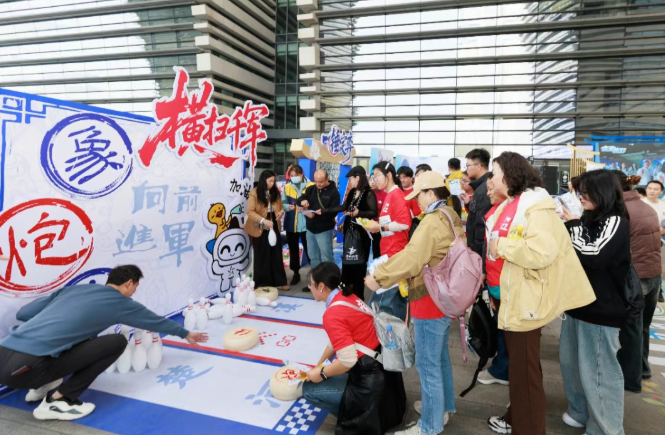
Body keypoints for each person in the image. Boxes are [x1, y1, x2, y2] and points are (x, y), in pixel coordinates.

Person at [0, 265, 208, 421]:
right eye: (135, 287)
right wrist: (185, 333)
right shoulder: (120, 303)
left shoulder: (73, 290)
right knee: (116, 342)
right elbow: (154, 321)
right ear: (129, 283)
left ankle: (42, 385)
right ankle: (59, 400)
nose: (134, 292)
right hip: (25, 368)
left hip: (4, 354)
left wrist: (51, 321)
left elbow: (23, 313)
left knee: (80, 337)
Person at [486, 152, 596, 435]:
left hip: (526, 300)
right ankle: (516, 418)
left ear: (510, 174)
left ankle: (529, 427)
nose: (491, 178)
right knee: (522, 370)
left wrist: (502, 247)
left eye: (494, 172)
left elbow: (541, 253)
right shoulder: (512, 204)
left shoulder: (536, 207)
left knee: (525, 375)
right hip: (511, 297)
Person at [365, 171, 463, 435]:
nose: (416, 201)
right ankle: (441, 408)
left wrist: (379, 276)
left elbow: (412, 257)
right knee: (439, 358)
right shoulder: (450, 214)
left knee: (427, 365)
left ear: (431, 193)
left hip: (429, 299)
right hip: (445, 296)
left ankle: (429, 426)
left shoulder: (431, 222)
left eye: (419, 195)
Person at [560, 170, 630, 435]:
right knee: (573, 367)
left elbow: (594, 254)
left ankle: (605, 428)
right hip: (577, 306)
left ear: (603, 192)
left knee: (599, 373)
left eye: (585, 191)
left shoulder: (615, 221)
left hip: (601, 311)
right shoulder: (590, 218)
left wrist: (573, 224)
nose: (580, 196)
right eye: (579, 192)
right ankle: (580, 412)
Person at [302, 262, 406, 435]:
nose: (309, 288)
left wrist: (321, 373)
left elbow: (347, 360)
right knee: (330, 371)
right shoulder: (347, 296)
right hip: (384, 370)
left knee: (309, 390)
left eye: (310, 284)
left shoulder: (332, 314)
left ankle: (353, 416)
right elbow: (336, 342)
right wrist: (319, 365)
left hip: (369, 381)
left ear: (321, 287)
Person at [612, 171, 661, 388]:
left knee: (630, 330)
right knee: (642, 327)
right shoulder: (646, 207)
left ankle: (631, 380)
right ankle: (643, 369)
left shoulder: (620, 211)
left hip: (634, 278)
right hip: (653, 276)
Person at [366, 161, 411, 320]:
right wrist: (377, 227)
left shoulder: (396, 195)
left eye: (377, 175)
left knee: (378, 303)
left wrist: (380, 227)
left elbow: (405, 223)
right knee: (399, 301)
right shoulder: (390, 195)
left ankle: (377, 332)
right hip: (390, 253)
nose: (375, 179)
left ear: (389, 175)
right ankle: (401, 332)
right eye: (373, 176)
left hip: (394, 255)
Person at [477, 174, 510, 387]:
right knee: (499, 326)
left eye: (491, 187)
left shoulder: (511, 213)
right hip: (494, 279)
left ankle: (503, 370)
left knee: (505, 330)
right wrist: (484, 272)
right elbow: (487, 247)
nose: (488, 192)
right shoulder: (494, 212)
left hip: (505, 281)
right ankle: (502, 366)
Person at [328, 166, 378, 300]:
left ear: (358, 178)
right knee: (347, 263)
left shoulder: (369, 193)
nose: (350, 181)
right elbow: (343, 207)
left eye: (351, 178)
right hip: (349, 234)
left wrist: (358, 213)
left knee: (359, 265)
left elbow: (373, 212)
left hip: (361, 236)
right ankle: (347, 293)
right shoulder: (352, 192)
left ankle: (358, 296)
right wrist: (326, 210)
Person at [245, 170, 289, 290]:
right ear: (263, 181)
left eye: (273, 181)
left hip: (273, 222)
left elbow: (280, 207)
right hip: (259, 224)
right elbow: (250, 212)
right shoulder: (254, 193)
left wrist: (280, 213)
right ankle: (261, 283)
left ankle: (280, 281)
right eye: (270, 181)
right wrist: (263, 220)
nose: (272, 183)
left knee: (276, 253)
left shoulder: (275, 192)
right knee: (261, 254)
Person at [297, 169, 341, 269]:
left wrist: (320, 214)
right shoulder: (310, 189)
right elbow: (300, 199)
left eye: (320, 182)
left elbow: (334, 212)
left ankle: (330, 277)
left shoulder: (334, 193)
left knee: (327, 257)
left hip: (324, 230)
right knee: (313, 256)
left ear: (327, 179)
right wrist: (302, 202)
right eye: (316, 181)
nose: (318, 184)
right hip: (310, 229)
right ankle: (315, 277)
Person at [281, 165, 313, 285]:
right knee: (293, 250)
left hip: (307, 224)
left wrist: (307, 207)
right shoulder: (287, 187)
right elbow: (282, 203)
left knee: (310, 250)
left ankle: (313, 274)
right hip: (291, 224)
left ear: (301, 174)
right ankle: (295, 273)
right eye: (291, 176)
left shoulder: (311, 186)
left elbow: (315, 203)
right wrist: (287, 207)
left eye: (295, 175)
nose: (293, 177)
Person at [465, 148, 492, 259]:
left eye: (468, 165)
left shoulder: (485, 188)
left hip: (479, 250)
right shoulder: (481, 186)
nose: (466, 169)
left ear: (479, 166)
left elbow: (481, 223)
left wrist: (476, 251)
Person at [643, 180, 665, 303]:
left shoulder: (663, 205)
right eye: (650, 188)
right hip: (641, 241)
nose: (652, 191)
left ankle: (658, 290)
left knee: (656, 265)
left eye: (655, 189)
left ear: (661, 192)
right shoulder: (641, 204)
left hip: (658, 240)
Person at [370, 173, 386, 261]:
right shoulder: (366, 193)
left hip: (379, 227)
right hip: (367, 226)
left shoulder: (385, 194)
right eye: (371, 179)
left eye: (374, 179)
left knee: (378, 250)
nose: (372, 182)